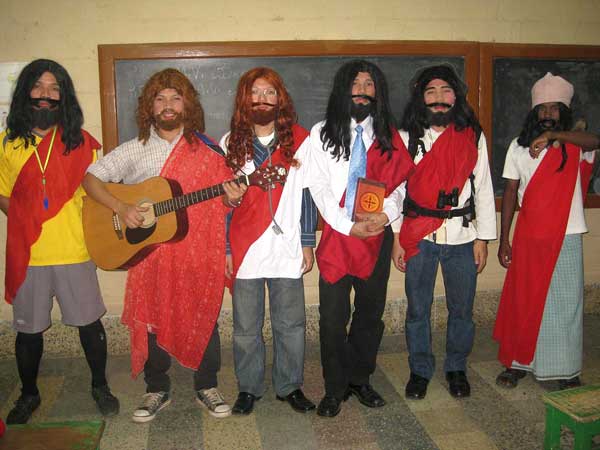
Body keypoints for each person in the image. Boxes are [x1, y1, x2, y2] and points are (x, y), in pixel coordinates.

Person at [83, 68, 245, 422]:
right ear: (150, 107)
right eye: (160, 98)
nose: (168, 105)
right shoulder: (135, 148)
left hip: (197, 252)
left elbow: (222, 201)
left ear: (187, 105)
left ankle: (207, 385)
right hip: (149, 252)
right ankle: (156, 388)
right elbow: (91, 179)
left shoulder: (208, 151)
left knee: (205, 312)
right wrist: (120, 207)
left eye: (175, 97)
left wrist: (232, 198)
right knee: (152, 318)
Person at [0, 59, 119, 424]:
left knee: (89, 325)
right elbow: (3, 194)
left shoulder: (82, 144)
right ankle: (29, 394)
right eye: (39, 86)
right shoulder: (7, 144)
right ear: (26, 92)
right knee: (28, 331)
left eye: (54, 88)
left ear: (63, 96)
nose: (46, 95)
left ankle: (100, 386)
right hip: (29, 253)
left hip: (74, 250)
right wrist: (26, 219)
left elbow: (96, 194)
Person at [306, 59, 414, 417]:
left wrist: (386, 214)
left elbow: (400, 187)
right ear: (344, 89)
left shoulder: (390, 136)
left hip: (376, 237)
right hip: (338, 237)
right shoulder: (322, 133)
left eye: (369, 85)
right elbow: (318, 186)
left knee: (370, 314)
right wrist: (345, 224)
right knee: (332, 318)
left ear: (377, 92)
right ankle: (334, 388)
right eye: (356, 84)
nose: (362, 91)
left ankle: (359, 379)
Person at [394, 65, 496, 400]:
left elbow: (483, 187)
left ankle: (456, 368)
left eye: (445, 90)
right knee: (417, 309)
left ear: (456, 96)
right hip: (419, 235)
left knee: (462, 308)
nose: (439, 98)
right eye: (431, 92)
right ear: (421, 98)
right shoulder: (407, 137)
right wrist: (397, 236)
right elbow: (395, 190)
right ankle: (420, 370)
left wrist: (482, 238)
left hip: (462, 236)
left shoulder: (472, 135)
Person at [220, 67, 317, 415]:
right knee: (246, 328)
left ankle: (289, 386)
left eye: (270, 92)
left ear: (280, 99)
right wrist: (227, 249)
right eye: (255, 92)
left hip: (287, 244)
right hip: (245, 246)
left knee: (290, 324)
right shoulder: (230, 143)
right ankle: (249, 388)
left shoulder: (300, 140)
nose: (262, 99)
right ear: (245, 99)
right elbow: (224, 204)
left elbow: (307, 194)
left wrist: (307, 241)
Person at [493, 73, 598, 390]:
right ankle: (518, 363)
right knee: (524, 301)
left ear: (564, 111)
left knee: (564, 305)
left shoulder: (575, 146)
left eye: (554, 108)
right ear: (533, 111)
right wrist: (504, 239)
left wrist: (554, 136)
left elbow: (595, 141)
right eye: (542, 108)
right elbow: (510, 192)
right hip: (528, 235)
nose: (548, 113)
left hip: (566, 235)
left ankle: (566, 370)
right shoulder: (518, 146)